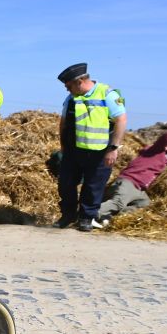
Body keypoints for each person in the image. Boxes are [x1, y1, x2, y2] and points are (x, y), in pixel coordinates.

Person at [54, 62, 128, 232]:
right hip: (73, 151)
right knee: (65, 184)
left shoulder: (107, 94)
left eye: (68, 85)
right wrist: (63, 146)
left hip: (100, 152)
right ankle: (68, 215)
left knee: (93, 186)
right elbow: (63, 122)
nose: (67, 89)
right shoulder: (71, 98)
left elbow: (121, 120)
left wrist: (113, 148)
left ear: (79, 81)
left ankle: (86, 218)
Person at [97, 132, 167, 226]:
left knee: (144, 205)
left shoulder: (165, 162)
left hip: (139, 189)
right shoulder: (157, 151)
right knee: (118, 203)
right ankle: (87, 215)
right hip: (129, 181)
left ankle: (109, 217)